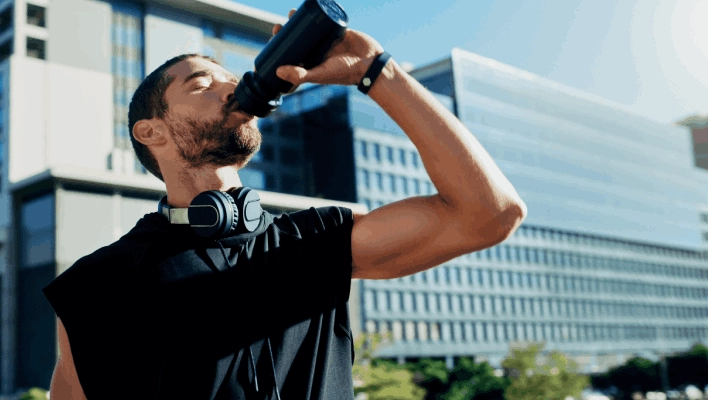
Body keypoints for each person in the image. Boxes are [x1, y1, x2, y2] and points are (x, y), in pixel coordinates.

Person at [43, 9, 526, 400]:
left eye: (229, 78)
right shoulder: (95, 283)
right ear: (151, 131)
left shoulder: (314, 243)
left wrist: (377, 71)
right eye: (200, 83)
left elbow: (489, 214)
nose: (230, 87)